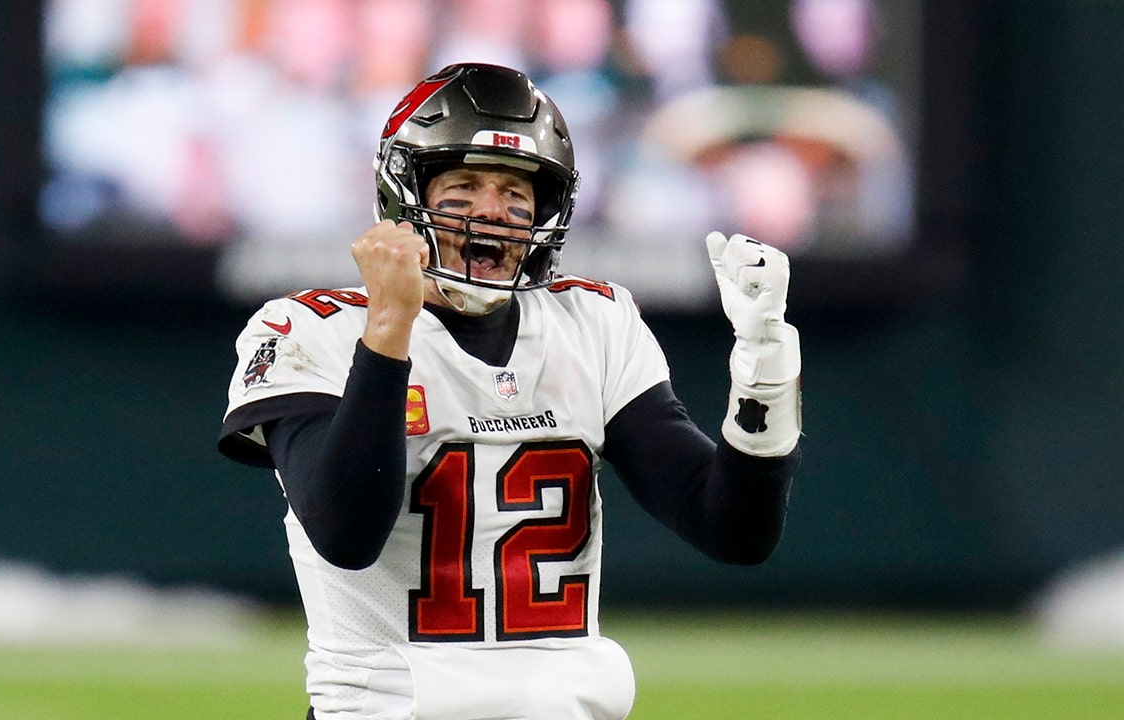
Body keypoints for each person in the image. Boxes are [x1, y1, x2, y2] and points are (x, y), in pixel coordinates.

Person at [218, 63, 801, 720]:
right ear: (404, 195)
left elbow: (731, 529)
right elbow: (345, 534)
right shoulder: (308, 329)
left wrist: (765, 373)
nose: (493, 211)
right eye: (464, 185)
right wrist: (388, 330)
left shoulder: (594, 323)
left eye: (515, 191)